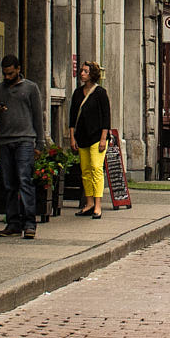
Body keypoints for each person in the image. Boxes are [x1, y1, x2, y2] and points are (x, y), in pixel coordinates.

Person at [0, 56, 46, 239]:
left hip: (25, 140)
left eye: (11, 73)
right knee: (9, 184)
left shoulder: (30, 88)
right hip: (5, 140)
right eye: (4, 74)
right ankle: (13, 222)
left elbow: (38, 116)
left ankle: (30, 223)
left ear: (18, 69)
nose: (7, 77)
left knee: (24, 180)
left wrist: (40, 143)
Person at [70, 62, 111, 220]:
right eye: (81, 71)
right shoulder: (78, 93)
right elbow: (72, 117)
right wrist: (72, 137)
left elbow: (106, 117)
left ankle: (98, 205)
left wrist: (103, 138)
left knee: (96, 169)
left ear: (92, 74)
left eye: (86, 71)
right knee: (85, 171)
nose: (82, 74)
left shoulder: (100, 93)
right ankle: (89, 203)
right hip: (82, 137)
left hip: (97, 137)